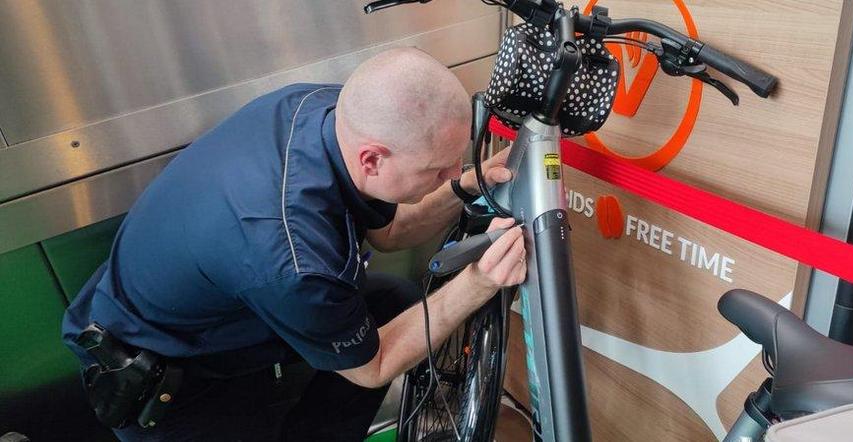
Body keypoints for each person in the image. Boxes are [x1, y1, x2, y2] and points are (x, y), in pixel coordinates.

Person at [61, 47, 526, 441]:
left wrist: (470, 182)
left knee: (393, 303)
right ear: (372, 158)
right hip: (166, 374)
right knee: (368, 351)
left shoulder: (321, 109)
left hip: (228, 306)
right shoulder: (293, 258)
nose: (449, 174)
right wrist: (479, 282)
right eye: (437, 169)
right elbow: (373, 367)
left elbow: (389, 232)